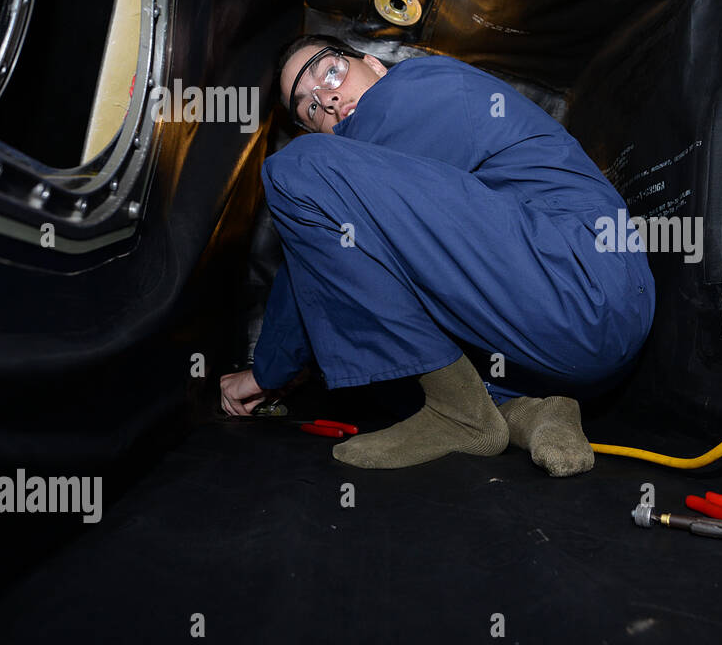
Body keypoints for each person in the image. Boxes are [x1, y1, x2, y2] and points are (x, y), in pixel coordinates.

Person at [219, 36, 655, 476]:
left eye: (330, 71)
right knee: (384, 350)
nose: (328, 100)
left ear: (374, 62)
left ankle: (460, 413)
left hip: (581, 278)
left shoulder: (417, 85)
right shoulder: (385, 174)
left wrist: (265, 372)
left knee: (295, 168)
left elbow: (309, 247)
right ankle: (530, 413)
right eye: (309, 108)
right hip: (566, 352)